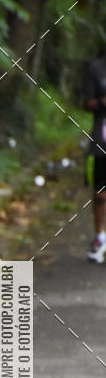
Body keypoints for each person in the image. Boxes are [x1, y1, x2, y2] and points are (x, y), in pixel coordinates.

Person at [82, 48, 106, 262]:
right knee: (100, 194)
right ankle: (100, 237)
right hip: (102, 140)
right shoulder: (96, 68)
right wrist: (102, 102)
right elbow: (86, 103)